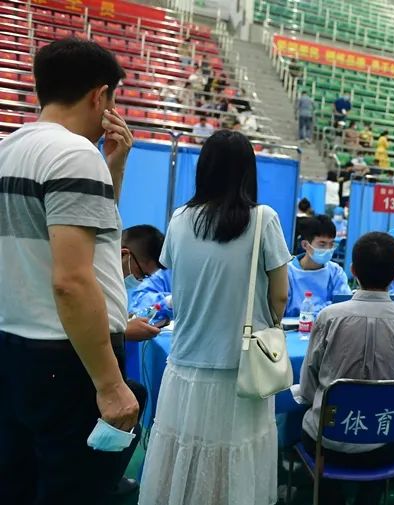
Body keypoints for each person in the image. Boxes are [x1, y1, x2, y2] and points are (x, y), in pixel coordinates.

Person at [0, 38, 140, 504]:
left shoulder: (9, 148)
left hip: (15, 348)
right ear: (100, 96)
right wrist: (110, 384)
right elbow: (72, 280)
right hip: (68, 356)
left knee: (18, 484)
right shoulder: (74, 155)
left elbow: (75, 238)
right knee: (75, 490)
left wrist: (112, 169)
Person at [139, 131, 291, 505]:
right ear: (247, 171)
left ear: (204, 169)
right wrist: (268, 322)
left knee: (185, 454)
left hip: (186, 361)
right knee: (235, 457)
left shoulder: (179, 219)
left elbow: (178, 276)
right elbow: (280, 295)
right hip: (242, 365)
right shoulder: (263, 219)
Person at [298, 232, 394, 505]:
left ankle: (326, 496)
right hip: (386, 443)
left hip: (327, 443)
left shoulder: (329, 317)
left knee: (306, 416)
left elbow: (308, 386)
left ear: (353, 270)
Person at [285, 215, 351, 317]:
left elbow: (343, 306)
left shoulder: (335, 272)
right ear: (305, 245)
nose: (328, 249)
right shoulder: (288, 272)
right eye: (322, 244)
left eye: (331, 244)